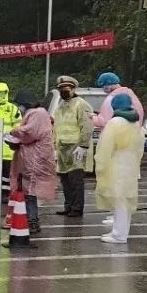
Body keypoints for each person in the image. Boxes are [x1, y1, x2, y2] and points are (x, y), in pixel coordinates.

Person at [95, 91, 144, 244]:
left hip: (116, 165)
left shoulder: (115, 123)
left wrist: (101, 164)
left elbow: (105, 146)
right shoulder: (135, 123)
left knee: (119, 200)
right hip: (131, 166)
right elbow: (140, 148)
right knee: (126, 200)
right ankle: (120, 231)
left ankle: (119, 235)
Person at [5, 91, 56, 233]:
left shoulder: (37, 114)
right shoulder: (37, 113)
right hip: (32, 157)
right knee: (27, 191)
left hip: (35, 158)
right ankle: (30, 220)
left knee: (30, 192)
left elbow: (30, 133)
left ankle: (32, 222)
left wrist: (14, 132)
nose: (19, 108)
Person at [52, 76, 94, 218]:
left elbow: (87, 126)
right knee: (65, 179)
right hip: (62, 148)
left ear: (73, 89)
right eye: (61, 89)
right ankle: (68, 205)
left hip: (76, 148)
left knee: (75, 179)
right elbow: (57, 127)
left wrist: (83, 145)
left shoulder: (81, 105)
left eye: (66, 89)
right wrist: (54, 146)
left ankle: (77, 208)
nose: (63, 91)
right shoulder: (60, 106)